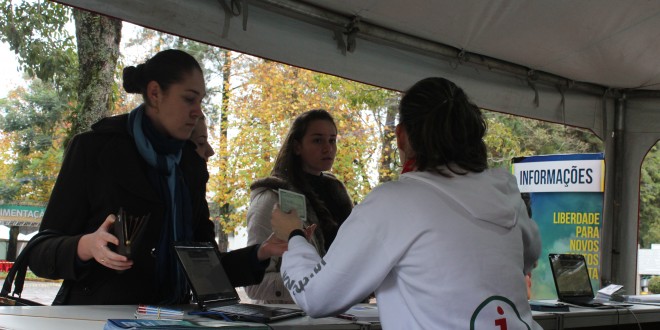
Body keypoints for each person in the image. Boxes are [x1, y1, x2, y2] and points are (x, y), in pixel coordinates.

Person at [272, 77, 542, 329]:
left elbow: (316, 296)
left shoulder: (395, 202)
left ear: (402, 136)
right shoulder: (504, 189)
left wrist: (294, 237)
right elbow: (529, 256)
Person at [27, 49, 284, 305]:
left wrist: (260, 254)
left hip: (171, 318)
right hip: (100, 320)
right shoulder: (94, 149)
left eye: (200, 101)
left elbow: (204, 264)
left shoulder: (190, 167)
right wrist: (87, 245)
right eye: (189, 99)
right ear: (154, 94)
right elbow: (39, 254)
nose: (198, 112)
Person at [245, 109, 353, 304]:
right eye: (318, 140)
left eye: (332, 140)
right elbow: (254, 284)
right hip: (292, 320)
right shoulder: (272, 197)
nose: (328, 148)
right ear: (296, 146)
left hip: (342, 315)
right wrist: (315, 288)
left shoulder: (339, 196)